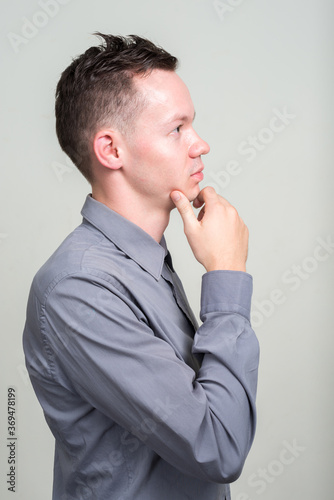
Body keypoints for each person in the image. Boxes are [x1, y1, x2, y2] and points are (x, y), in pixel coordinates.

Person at [23, 33, 260, 500]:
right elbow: (218, 446)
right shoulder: (80, 287)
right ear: (111, 150)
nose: (201, 144)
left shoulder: (143, 260)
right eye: (177, 129)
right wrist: (227, 275)